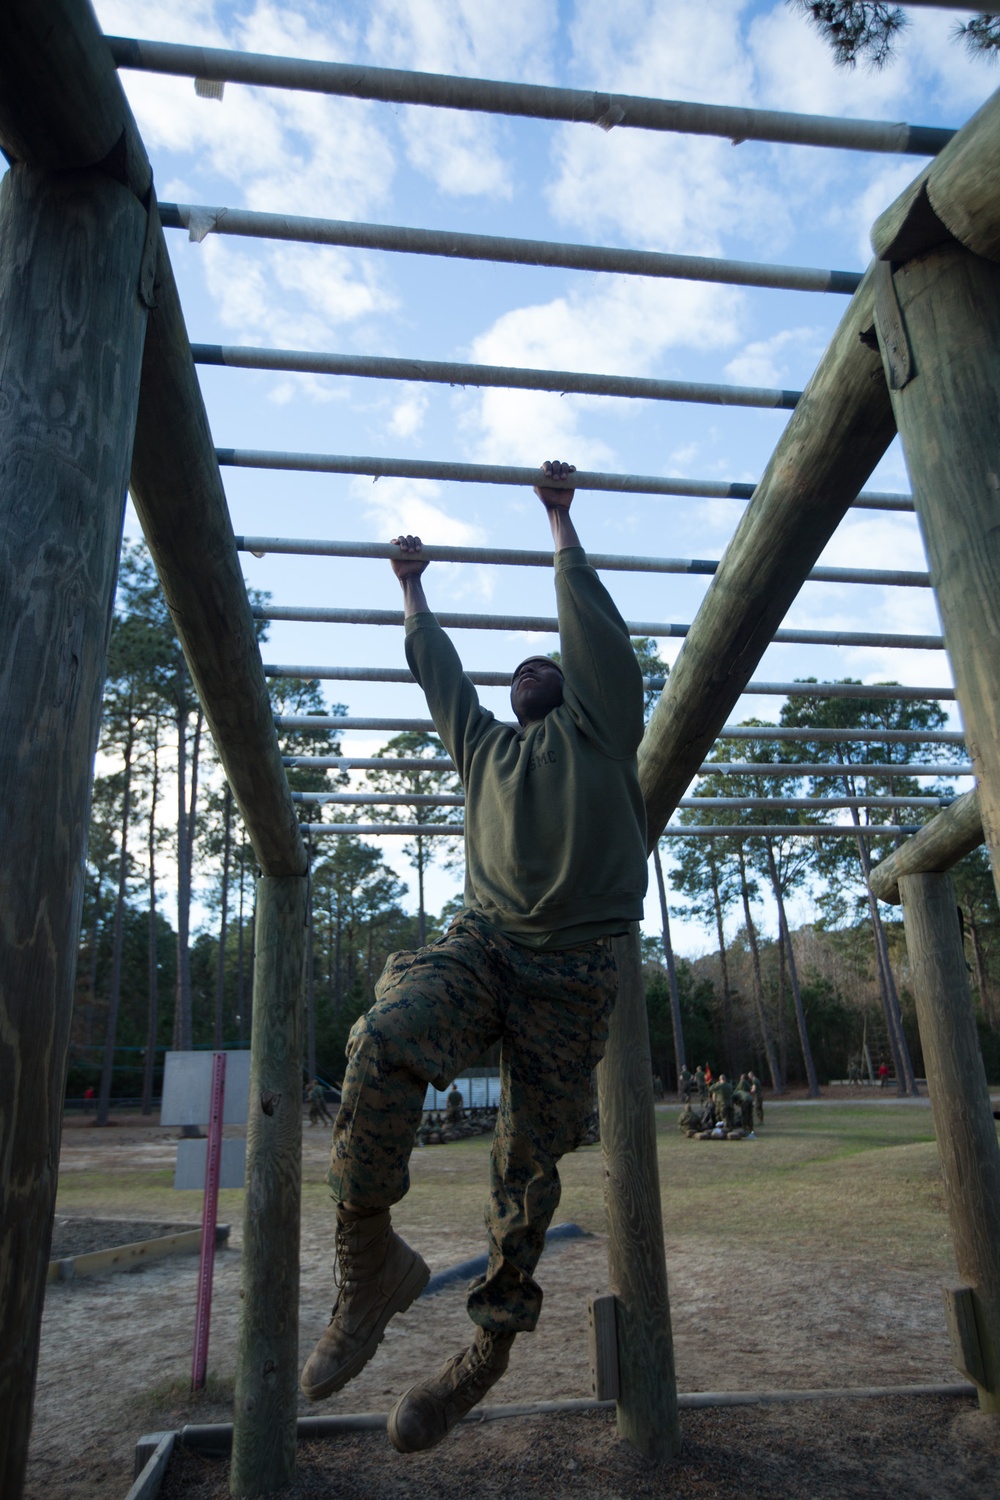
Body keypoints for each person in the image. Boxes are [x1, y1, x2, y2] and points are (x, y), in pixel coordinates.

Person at [300, 460, 648, 1454]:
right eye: (520, 669)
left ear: (573, 689)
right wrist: (411, 586)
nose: (534, 665)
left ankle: (478, 1362)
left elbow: (594, 636)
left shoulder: (600, 730)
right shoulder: (484, 749)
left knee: (523, 1174)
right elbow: (437, 672)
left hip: (573, 977)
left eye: (551, 659)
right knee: (388, 1029)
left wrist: (558, 521)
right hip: (484, 948)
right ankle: (370, 1265)